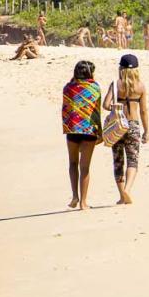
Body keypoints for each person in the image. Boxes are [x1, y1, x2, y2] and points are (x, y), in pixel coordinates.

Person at [103, 54, 149, 205]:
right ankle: (128, 190)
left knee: (118, 161)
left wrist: (116, 107)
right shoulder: (141, 86)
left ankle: (121, 195)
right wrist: (147, 131)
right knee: (133, 160)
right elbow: (143, 111)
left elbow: (105, 105)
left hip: (117, 126)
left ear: (121, 68)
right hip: (133, 125)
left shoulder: (116, 84)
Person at [62, 61, 102, 210]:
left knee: (72, 163)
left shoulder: (67, 88)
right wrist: (100, 132)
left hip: (72, 129)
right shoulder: (95, 88)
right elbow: (96, 112)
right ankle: (83, 203)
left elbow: (66, 110)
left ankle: (74, 196)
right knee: (84, 167)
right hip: (89, 131)